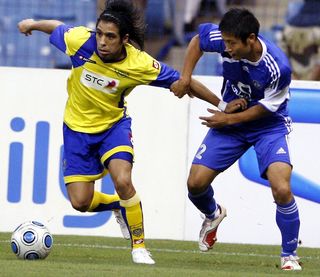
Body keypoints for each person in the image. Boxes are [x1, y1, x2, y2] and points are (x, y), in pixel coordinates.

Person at [18, 0, 245, 265]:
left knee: (123, 181)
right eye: (99, 33)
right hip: (76, 131)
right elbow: (57, 27)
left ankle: (139, 246)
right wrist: (32, 24)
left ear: (124, 39)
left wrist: (221, 104)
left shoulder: (139, 63)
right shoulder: (80, 41)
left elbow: (184, 82)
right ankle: (118, 205)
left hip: (113, 128)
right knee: (80, 202)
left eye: (110, 36)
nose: (102, 41)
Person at [173, 8, 302, 271]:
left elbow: (266, 108)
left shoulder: (278, 68)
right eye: (226, 42)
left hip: (268, 125)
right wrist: (185, 77)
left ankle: (289, 255)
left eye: (232, 44)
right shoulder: (226, 39)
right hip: (231, 116)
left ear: (251, 39)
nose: (227, 48)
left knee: (282, 188)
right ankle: (213, 215)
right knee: (195, 184)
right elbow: (197, 40)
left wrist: (227, 119)